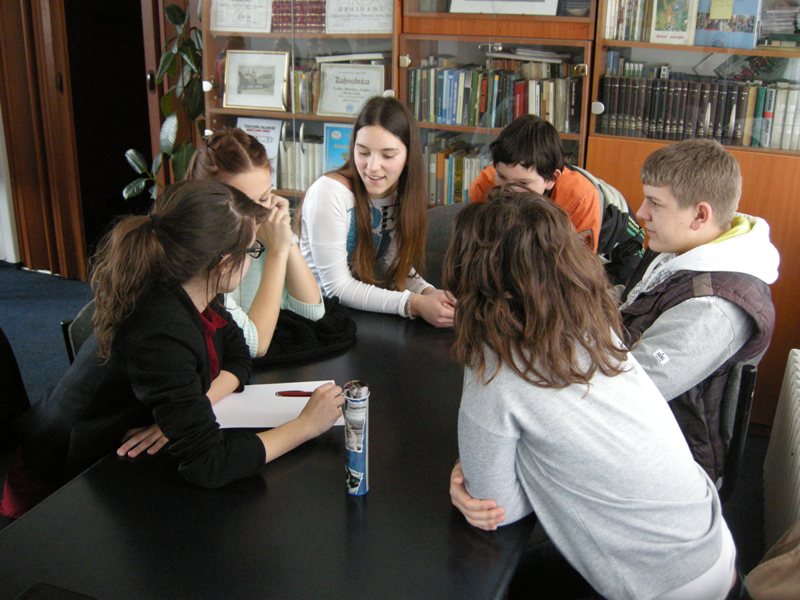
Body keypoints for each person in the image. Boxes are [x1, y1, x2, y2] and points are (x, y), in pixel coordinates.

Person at [445, 188, 737, 600]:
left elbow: (495, 507)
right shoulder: (595, 327)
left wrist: (470, 469)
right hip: (715, 547)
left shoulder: (494, 369)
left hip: (664, 586)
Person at [0, 180, 343, 518]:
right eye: (253, 250)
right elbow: (209, 464)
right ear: (224, 263)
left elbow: (239, 356)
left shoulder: (195, 288)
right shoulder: (161, 330)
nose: (255, 259)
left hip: (116, 461)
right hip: (62, 484)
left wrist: (188, 410)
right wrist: (306, 425)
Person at [620, 138, 778, 481]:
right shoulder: (684, 247)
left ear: (700, 215)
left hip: (670, 460)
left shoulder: (713, 308)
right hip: (642, 427)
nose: (641, 213)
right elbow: (634, 303)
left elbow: (628, 391)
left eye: (655, 203)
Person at [300, 96, 454, 327]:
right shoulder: (330, 192)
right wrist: (414, 304)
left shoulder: (399, 193)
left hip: (356, 313)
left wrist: (428, 292)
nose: (372, 167)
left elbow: (392, 261)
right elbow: (336, 288)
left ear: (408, 156)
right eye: (363, 152)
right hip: (316, 317)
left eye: (387, 155)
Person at [186, 128, 324, 359]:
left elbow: (311, 311)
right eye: (244, 205)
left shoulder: (267, 230)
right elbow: (254, 345)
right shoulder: (204, 254)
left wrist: (286, 238)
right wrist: (277, 253)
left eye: (264, 198)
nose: (259, 214)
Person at [468, 114, 644, 285]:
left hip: (617, 253)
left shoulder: (579, 199)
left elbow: (576, 271)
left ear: (551, 179)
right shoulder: (485, 184)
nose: (510, 190)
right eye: (502, 177)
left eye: (523, 183)